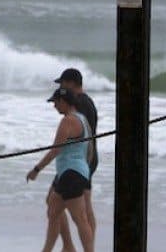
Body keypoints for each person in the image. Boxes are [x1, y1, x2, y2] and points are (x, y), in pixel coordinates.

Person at [27, 87, 94, 252]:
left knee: (80, 219)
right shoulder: (82, 119)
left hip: (72, 174)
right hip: (74, 172)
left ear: (63, 101)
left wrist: (36, 169)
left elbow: (55, 150)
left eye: (55, 103)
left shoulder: (68, 120)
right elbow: (89, 150)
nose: (54, 106)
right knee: (53, 212)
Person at [53, 68, 97, 247]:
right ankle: (73, 246)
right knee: (82, 209)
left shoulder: (79, 104)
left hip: (81, 160)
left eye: (63, 83)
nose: (62, 87)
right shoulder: (87, 102)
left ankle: (73, 246)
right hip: (85, 158)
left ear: (71, 83)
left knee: (80, 211)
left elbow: (82, 135)